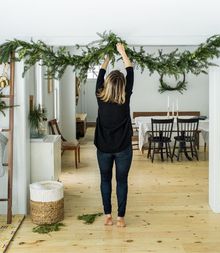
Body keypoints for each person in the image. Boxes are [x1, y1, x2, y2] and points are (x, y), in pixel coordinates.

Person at [94, 43, 134, 227]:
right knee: (122, 181)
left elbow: (100, 74)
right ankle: (121, 218)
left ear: (107, 84)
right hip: (124, 148)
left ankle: (108, 215)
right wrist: (123, 52)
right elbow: (130, 72)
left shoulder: (99, 96)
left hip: (103, 148)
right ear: (123, 86)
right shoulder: (125, 98)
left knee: (104, 180)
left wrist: (107, 58)